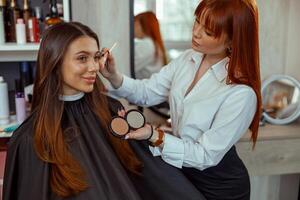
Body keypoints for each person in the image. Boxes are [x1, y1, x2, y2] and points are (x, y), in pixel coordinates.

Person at [3, 22, 206, 200]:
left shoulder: (111, 110)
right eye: (82, 58)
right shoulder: (30, 138)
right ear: (54, 61)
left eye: (96, 57)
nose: (94, 67)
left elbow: (148, 172)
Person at [100, 0, 261, 199]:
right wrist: (113, 76)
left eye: (208, 31)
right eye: (197, 21)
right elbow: (147, 92)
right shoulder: (187, 59)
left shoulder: (241, 93)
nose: (196, 32)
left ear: (232, 41)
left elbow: (205, 156)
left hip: (219, 187)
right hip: (181, 174)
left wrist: (155, 135)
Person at [134, 11, 167, 79]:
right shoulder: (153, 43)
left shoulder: (146, 44)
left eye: (135, 25)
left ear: (144, 26)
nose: (133, 28)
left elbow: (127, 67)